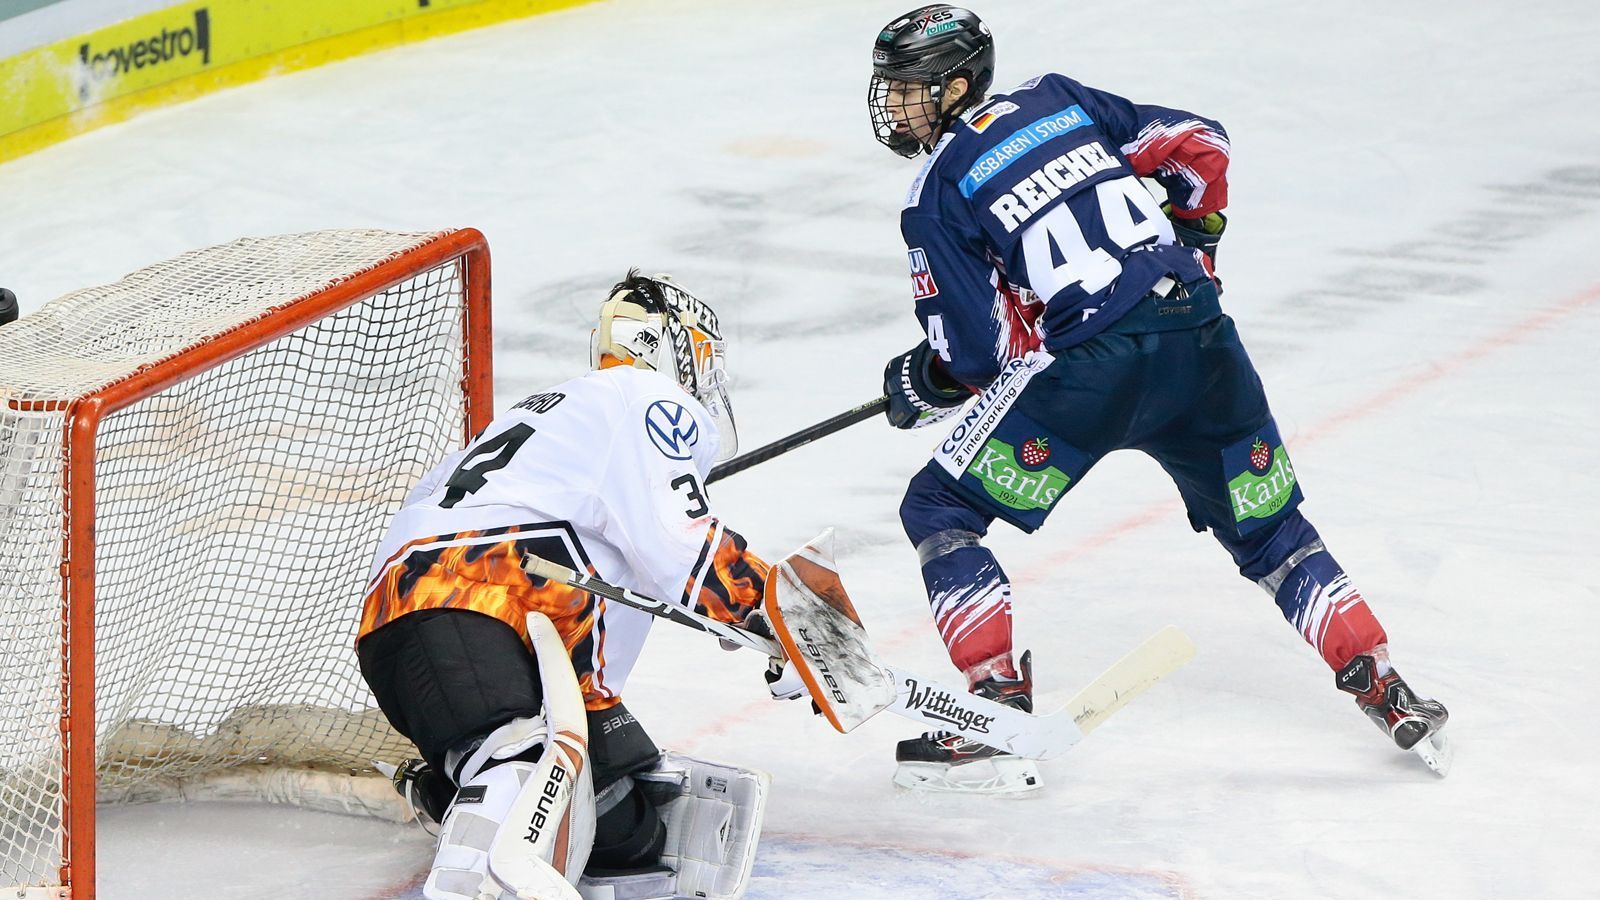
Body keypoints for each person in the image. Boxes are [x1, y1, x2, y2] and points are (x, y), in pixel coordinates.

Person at [867, 5, 1450, 793]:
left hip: (1096, 373)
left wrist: (918, 383)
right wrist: (1197, 241)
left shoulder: (936, 192)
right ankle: (1382, 682)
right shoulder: (1059, 99)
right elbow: (1201, 143)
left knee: (939, 509)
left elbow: (979, 356)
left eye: (906, 87)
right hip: (1205, 342)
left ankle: (996, 706)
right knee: (1272, 531)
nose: (891, 103)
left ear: (958, 83)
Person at [357, 271, 787, 899]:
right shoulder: (646, 397)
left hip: (433, 623)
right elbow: (684, 543)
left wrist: (750, 621)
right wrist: (790, 616)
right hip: (468, 608)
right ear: (683, 348)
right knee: (521, 769)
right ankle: (474, 836)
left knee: (628, 833)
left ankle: (451, 786)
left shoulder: (566, 417)